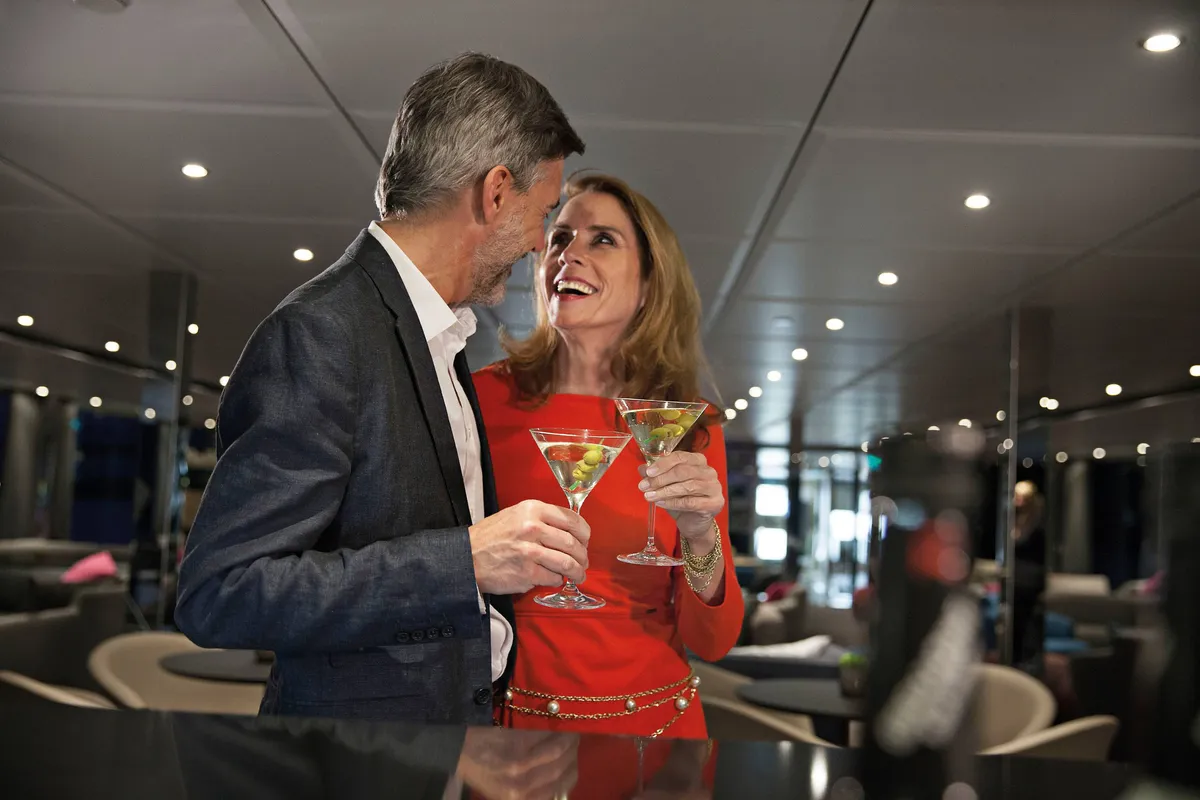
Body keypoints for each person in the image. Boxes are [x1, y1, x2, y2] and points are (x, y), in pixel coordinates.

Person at [175, 53, 587, 724]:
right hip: (355, 767)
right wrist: (466, 561)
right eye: (543, 214)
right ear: (495, 192)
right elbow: (222, 593)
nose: (542, 246)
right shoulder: (321, 332)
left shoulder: (441, 337)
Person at [474, 172, 743, 739]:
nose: (570, 253)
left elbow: (712, 640)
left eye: (603, 240)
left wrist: (700, 535)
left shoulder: (687, 424)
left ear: (649, 283)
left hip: (656, 736)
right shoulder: (479, 401)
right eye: (559, 237)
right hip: (511, 733)